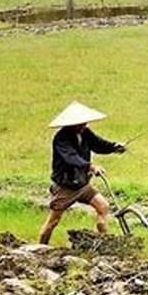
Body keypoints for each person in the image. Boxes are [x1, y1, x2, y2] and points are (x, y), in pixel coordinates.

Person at [39, 101, 126, 245]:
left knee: (103, 207)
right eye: (80, 123)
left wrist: (114, 147)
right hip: (65, 187)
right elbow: (71, 158)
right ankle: (40, 248)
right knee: (53, 221)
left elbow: (98, 144)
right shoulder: (61, 139)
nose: (84, 125)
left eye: (84, 123)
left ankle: (102, 244)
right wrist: (90, 167)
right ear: (70, 123)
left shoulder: (85, 133)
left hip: (83, 184)